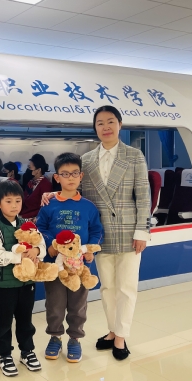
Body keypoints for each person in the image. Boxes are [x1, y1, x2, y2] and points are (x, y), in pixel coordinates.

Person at [42, 105, 151, 361]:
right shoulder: (88, 160)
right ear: (95, 128)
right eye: (100, 123)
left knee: (127, 287)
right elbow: (77, 191)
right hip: (97, 237)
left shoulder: (134, 155)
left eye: (111, 121)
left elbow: (144, 196)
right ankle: (112, 331)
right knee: (107, 287)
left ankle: (121, 336)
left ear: (120, 124)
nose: (106, 127)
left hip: (128, 231)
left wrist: (142, 231)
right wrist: (54, 194)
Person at [35, 153, 103, 363]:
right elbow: (40, 228)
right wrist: (50, 245)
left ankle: (75, 338)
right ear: (57, 178)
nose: (70, 178)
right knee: (54, 304)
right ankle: (55, 336)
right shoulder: (49, 204)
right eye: (65, 174)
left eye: (74, 173)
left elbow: (96, 230)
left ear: (81, 176)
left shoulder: (88, 207)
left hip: (78, 266)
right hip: (54, 266)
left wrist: (91, 250)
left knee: (78, 304)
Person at [0, 180, 46, 377]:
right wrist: (19, 257)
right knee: (4, 322)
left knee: (26, 320)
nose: (14, 206)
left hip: (27, 283)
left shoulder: (28, 225)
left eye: (18, 201)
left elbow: (41, 245)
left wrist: (36, 251)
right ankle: (4, 355)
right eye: (8, 201)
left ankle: (27, 351)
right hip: (5, 285)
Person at [20, 154, 52, 219]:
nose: (28, 170)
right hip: (23, 214)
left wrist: (23, 217)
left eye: (29, 168)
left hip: (32, 217)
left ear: (38, 170)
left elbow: (43, 208)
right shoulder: (30, 182)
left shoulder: (45, 185)